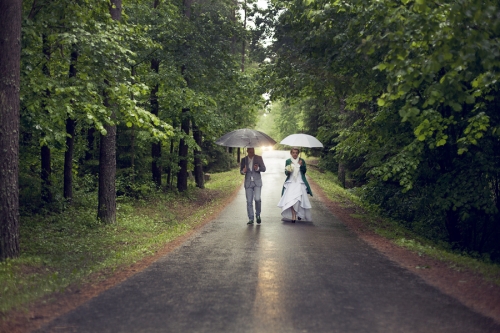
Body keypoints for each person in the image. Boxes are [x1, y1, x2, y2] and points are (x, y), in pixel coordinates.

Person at [277, 147, 313, 222]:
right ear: (291, 153)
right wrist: (290, 170)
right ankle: (293, 214)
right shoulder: (288, 161)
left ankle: (299, 213)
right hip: (291, 181)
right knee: (291, 199)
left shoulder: (301, 160)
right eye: (293, 153)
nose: (295, 154)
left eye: (296, 153)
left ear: (298, 153)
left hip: (299, 181)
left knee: (299, 199)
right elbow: (286, 173)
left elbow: (304, 171)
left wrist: (301, 165)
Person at [240, 147, 266, 225]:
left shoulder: (259, 158)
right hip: (248, 183)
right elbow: (241, 171)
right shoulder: (243, 160)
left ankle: (258, 215)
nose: (252, 153)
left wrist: (258, 168)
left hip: (257, 182)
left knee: (257, 199)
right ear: (247, 151)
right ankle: (251, 218)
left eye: (253, 151)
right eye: (250, 152)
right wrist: (243, 171)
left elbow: (264, 169)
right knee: (249, 201)